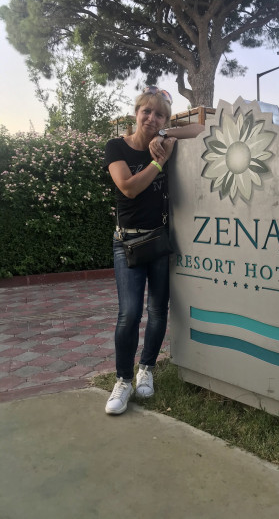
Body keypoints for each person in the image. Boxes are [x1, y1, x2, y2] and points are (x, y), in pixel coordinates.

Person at [103, 86, 204, 415]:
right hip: (128, 244)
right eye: (146, 111)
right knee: (129, 314)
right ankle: (123, 380)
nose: (151, 118)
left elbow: (200, 129)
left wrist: (164, 135)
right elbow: (128, 188)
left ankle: (146, 368)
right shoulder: (117, 147)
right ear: (136, 113)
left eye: (159, 114)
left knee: (158, 310)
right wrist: (159, 163)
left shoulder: (164, 140)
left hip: (159, 241)